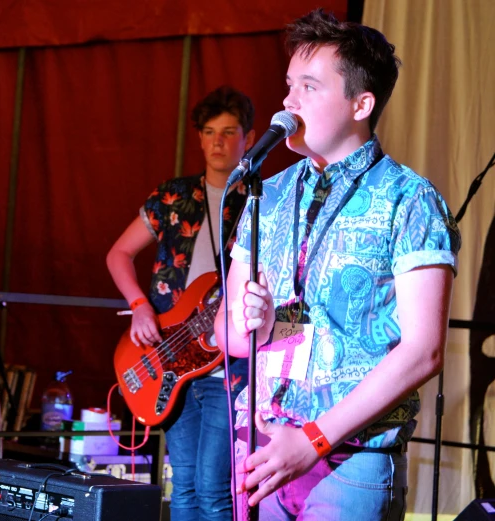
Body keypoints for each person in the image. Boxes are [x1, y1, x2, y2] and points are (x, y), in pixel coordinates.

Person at [213, 10, 461, 521]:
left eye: (309, 86)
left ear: (360, 103)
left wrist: (312, 441)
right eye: (289, 85)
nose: (289, 101)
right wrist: (255, 320)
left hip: (351, 461)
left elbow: (423, 350)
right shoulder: (268, 193)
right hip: (260, 447)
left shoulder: (408, 199)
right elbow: (230, 337)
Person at [107, 85, 255, 521]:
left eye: (229, 132)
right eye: (210, 132)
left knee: (214, 490)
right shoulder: (172, 197)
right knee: (184, 485)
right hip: (168, 354)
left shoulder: (261, 202)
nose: (218, 142)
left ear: (248, 137)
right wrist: (139, 305)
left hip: (226, 362)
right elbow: (117, 254)